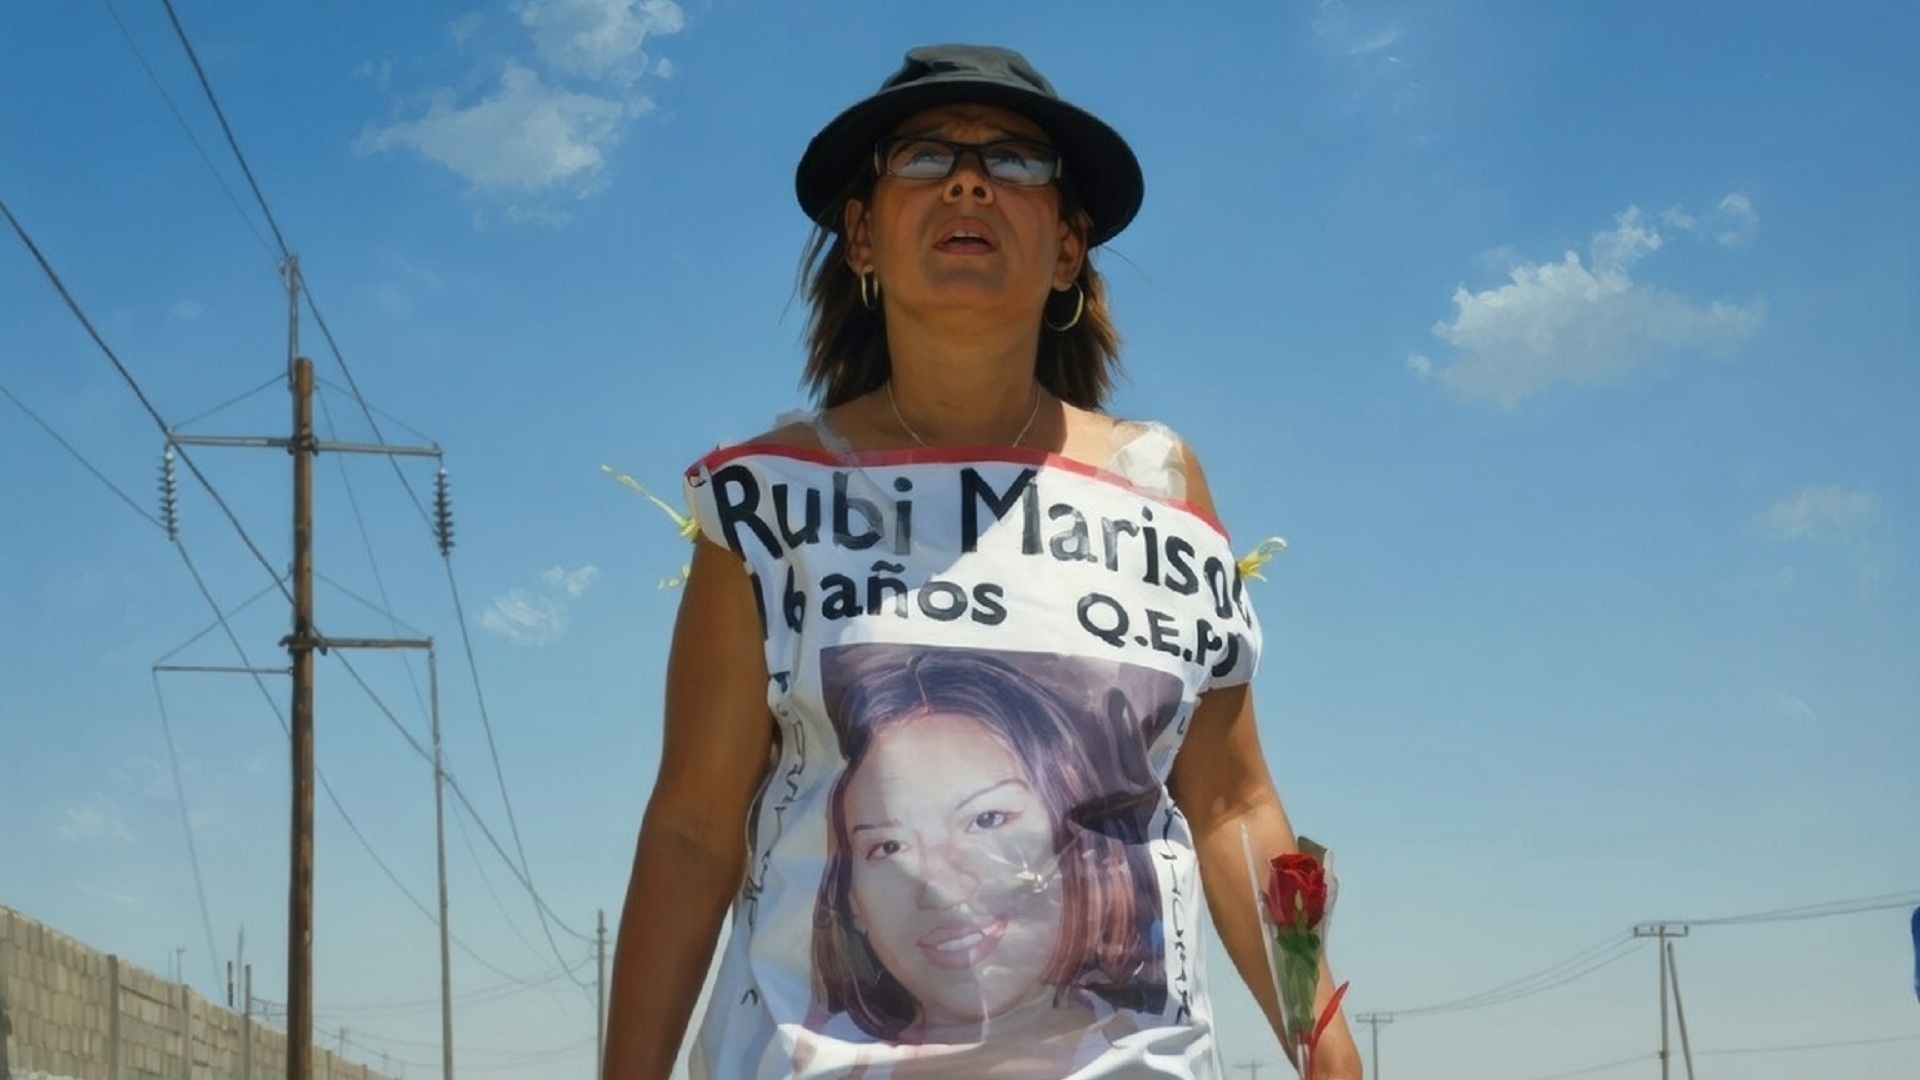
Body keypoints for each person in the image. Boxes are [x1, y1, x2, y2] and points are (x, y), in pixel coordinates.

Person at [604, 43, 1362, 1080]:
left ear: (1067, 247)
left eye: (1014, 162)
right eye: (923, 157)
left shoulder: (1162, 485)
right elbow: (693, 829)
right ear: (861, 237)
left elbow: (1233, 804)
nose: (968, 180)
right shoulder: (764, 500)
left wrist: (1324, 1044)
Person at [809, 646, 1170, 1071]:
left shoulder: (1157, 1052)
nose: (941, 886)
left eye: (986, 819)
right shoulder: (807, 1058)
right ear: (852, 902)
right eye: (888, 847)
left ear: (1076, 836)